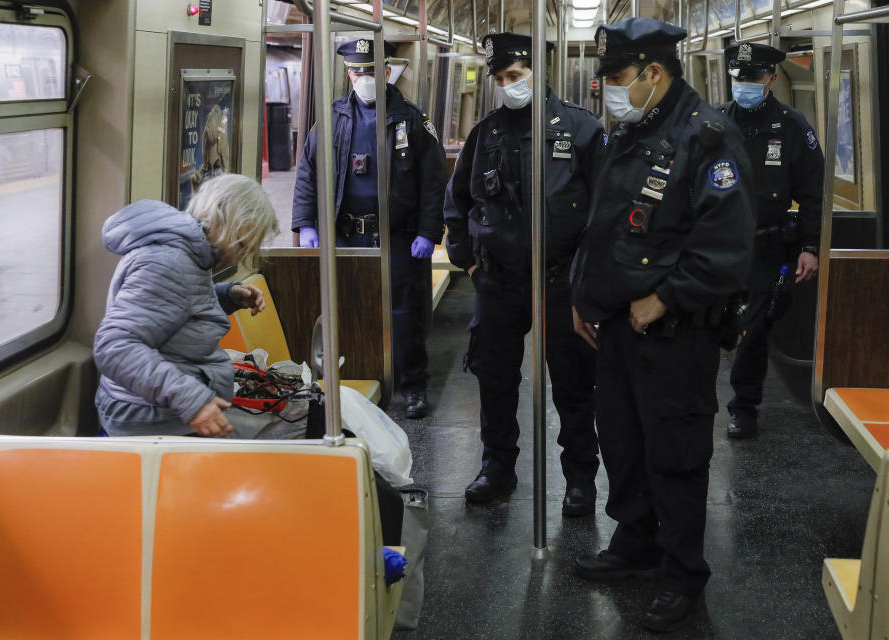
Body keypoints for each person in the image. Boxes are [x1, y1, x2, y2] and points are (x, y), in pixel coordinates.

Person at [569, 18, 754, 631]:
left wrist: (667, 299)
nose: (607, 92)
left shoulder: (708, 138)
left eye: (618, 78)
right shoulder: (631, 130)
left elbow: (725, 248)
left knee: (674, 450)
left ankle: (681, 572)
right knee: (622, 438)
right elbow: (604, 224)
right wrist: (585, 296)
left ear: (653, 72)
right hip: (619, 323)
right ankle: (635, 543)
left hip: (675, 331)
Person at [444, 33, 603, 513]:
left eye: (515, 76)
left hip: (561, 280)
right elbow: (459, 201)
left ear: (537, 71)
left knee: (573, 382)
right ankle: (497, 467)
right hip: (500, 280)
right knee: (495, 379)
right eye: (499, 79)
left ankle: (580, 479)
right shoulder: (486, 133)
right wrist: (466, 258)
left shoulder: (581, 130)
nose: (507, 86)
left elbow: (602, 211)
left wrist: (588, 280)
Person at [292, 38, 447, 419]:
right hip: (346, 235)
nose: (363, 78)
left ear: (386, 71)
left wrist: (429, 232)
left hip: (398, 236)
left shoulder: (412, 119)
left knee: (403, 313)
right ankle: (352, 379)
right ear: (348, 73)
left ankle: (412, 386)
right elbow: (308, 174)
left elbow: (433, 183)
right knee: (347, 308)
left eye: (371, 71)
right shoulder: (331, 119)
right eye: (357, 71)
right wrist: (306, 223)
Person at [93, 174, 279, 437]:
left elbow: (173, 309)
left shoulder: (188, 253)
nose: (242, 255)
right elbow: (115, 346)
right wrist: (192, 401)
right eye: (243, 244)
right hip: (151, 418)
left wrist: (228, 295)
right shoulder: (169, 263)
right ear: (224, 220)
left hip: (165, 407)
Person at [720, 42, 823, 438]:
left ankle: (744, 407)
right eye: (738, 77)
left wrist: (810, 248)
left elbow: (814, 193)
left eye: (753, 77)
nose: (744, 84)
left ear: (772, 79)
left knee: (754, 328)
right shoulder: (713, 122)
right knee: (706, 322)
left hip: (766, 246)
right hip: (719, 246)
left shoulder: (792, 127)